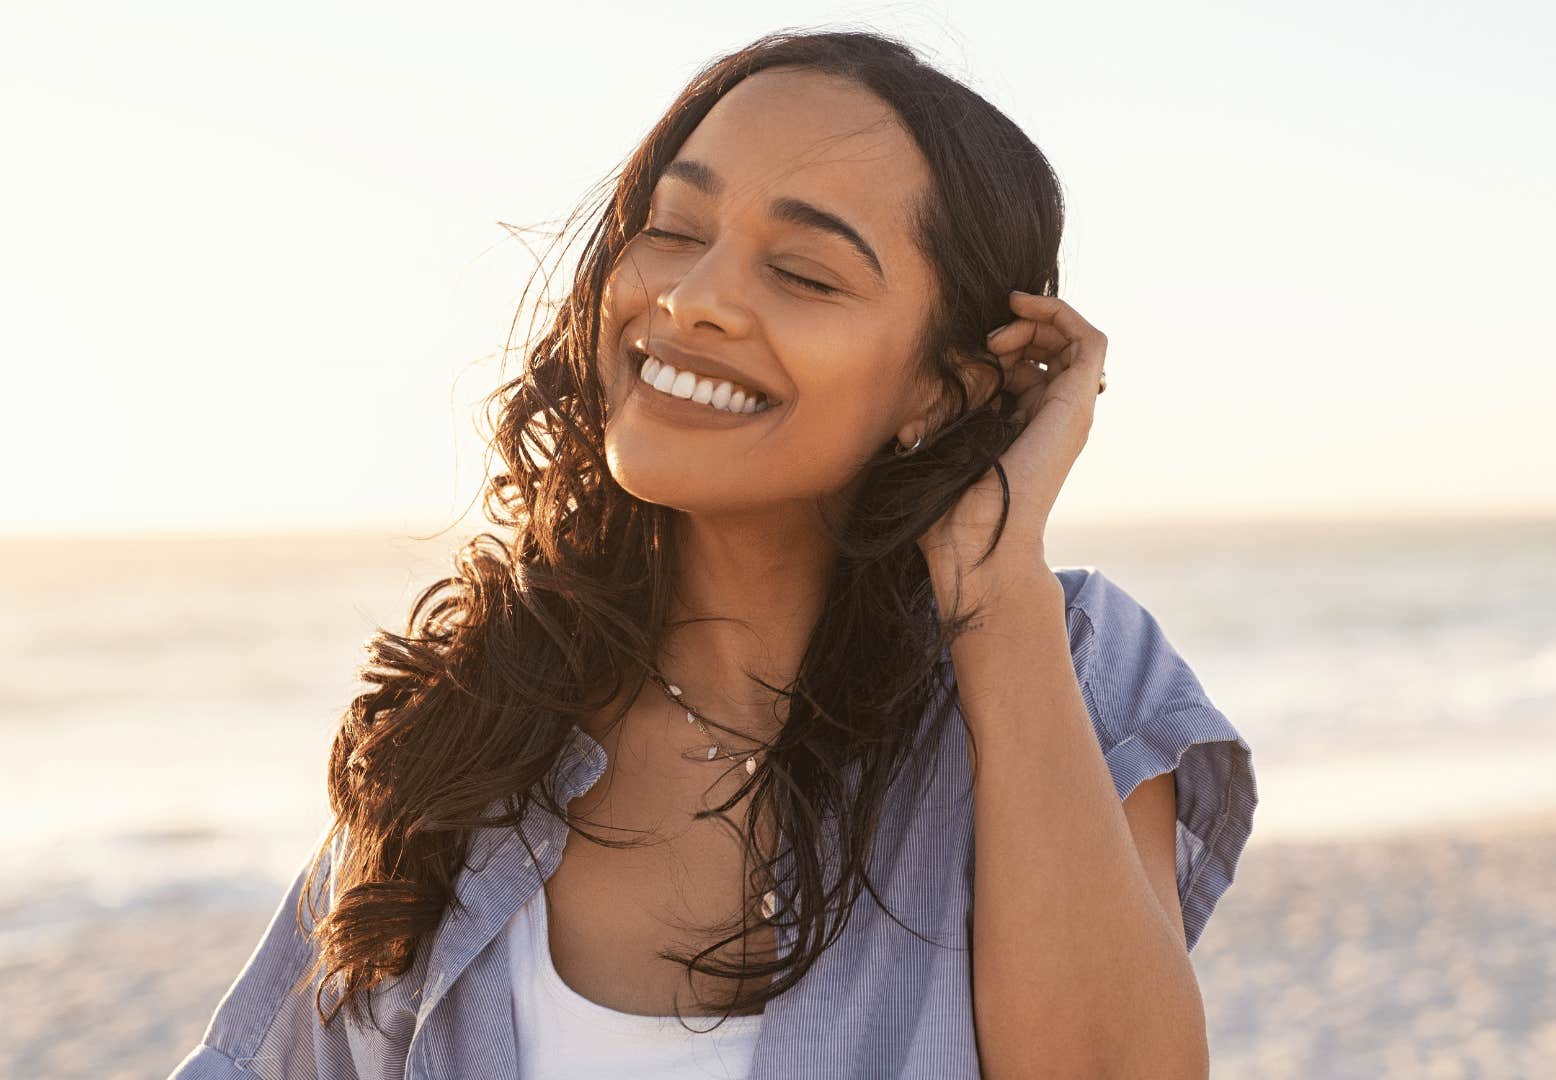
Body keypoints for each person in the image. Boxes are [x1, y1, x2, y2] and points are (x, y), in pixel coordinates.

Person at [168, 27, 1254, 1080]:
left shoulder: (1061, 667)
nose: (692, 301)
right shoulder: (470, 731)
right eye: (675, 230)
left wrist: (996, 586)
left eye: (804, 273)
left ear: (941, 387)